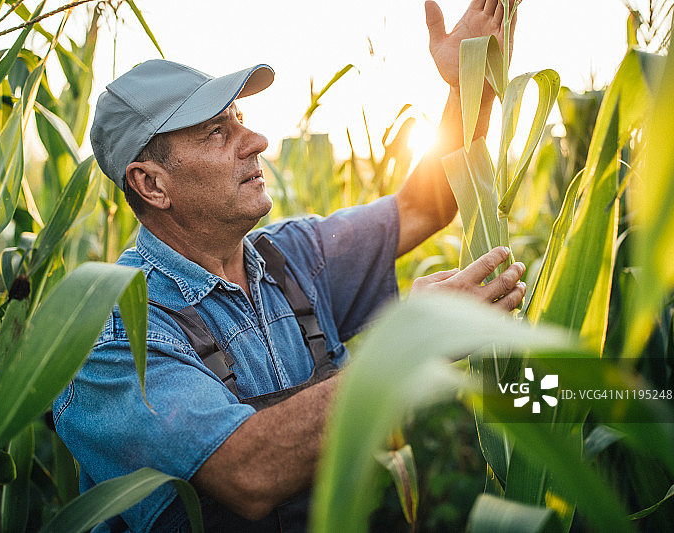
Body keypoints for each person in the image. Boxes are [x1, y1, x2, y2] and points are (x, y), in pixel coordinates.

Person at [53, 1, 524, 531]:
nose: (256, 142)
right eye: (216, 133)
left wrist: (471, 81)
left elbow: (424, 206)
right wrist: (406, 344)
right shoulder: (116, 337)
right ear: (152, 184)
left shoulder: (294, 256)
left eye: (240, 122)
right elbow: (247, 471)